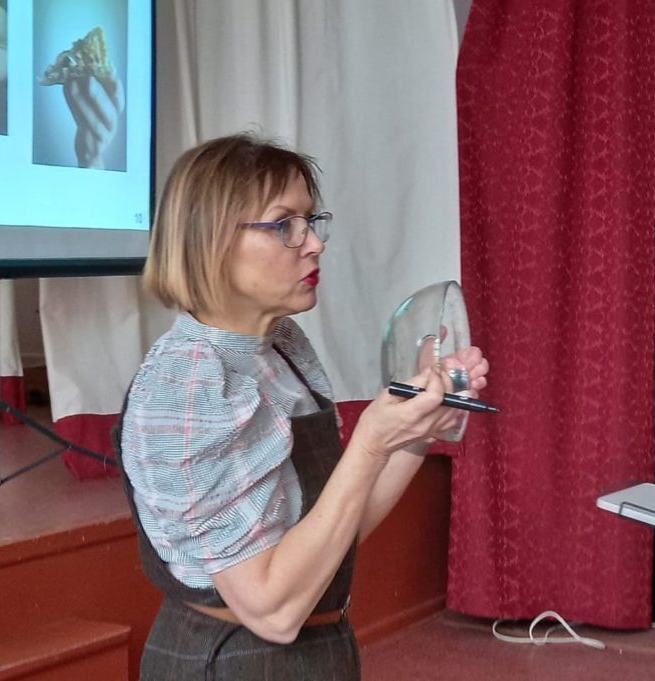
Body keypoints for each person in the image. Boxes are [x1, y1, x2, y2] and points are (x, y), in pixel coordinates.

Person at [116, 132, 490, 680]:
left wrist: (416, 429)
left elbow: (335, 530)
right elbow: (272, 609)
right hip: (236, 662)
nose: (314, 243)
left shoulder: (283, 346)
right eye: (284, 224)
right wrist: (370, 442)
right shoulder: (189, 389)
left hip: (318, 648)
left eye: (311, 221)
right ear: (211, 240)